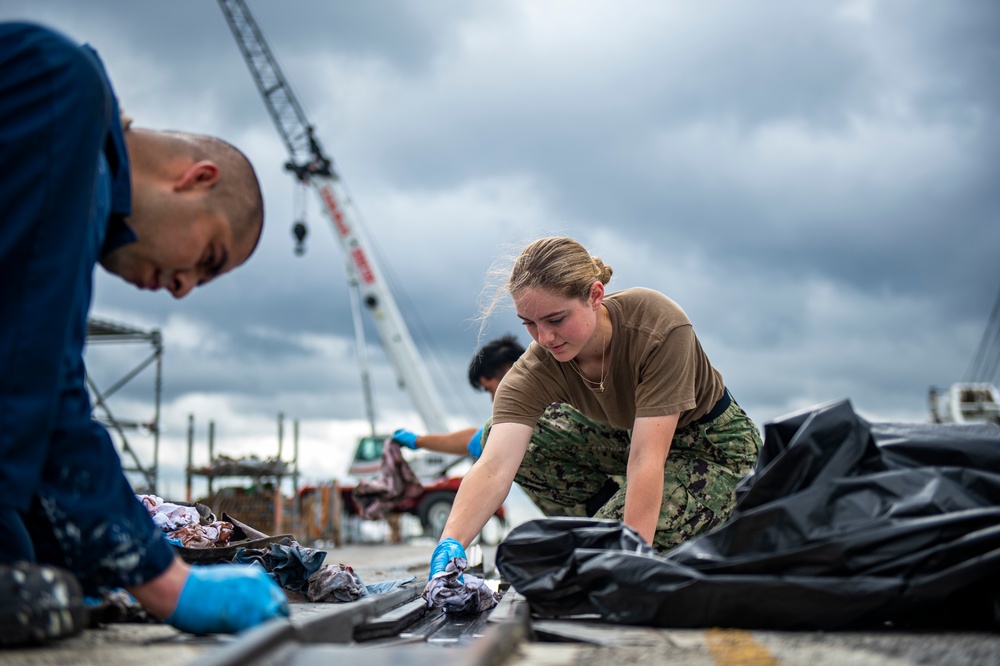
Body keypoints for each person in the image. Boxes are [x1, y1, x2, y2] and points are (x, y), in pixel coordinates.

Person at [0, 22, 287, 644]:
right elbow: (32, 377)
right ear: (196, 178)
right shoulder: (60, 90)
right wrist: (165, 583)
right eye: (208, 257)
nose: (184, 288)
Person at [428, 236, 764, 578]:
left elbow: (648, 458)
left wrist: (631, 561)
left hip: (713, 450)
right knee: (494, 436)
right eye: (528, 323)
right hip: (630, 439)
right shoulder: (537, 367)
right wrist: (450, 543)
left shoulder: (657, 325)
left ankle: (692, 522)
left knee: (592, 560)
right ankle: (610, 521)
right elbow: (495, 466)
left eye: (556, 320)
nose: (544, 338)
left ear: (595, 296)